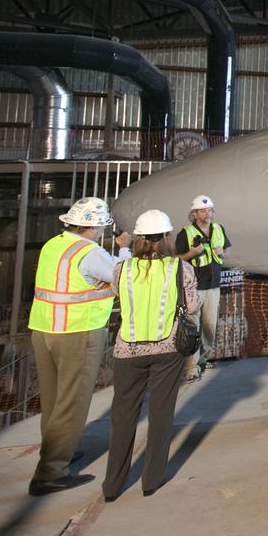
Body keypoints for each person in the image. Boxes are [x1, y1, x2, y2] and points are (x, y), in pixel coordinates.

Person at [27, 197, 129, 496]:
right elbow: (122, 275)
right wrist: (123, 247)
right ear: (94, 226)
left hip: (44, 329)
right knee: (72, 402)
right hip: (76, 332)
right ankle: (50, 472)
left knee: (54, 399)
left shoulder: (53, 245)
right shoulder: (89, 251)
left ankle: (59, 453)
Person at [103, 210, 199, 501]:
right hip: (166, 349)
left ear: (140, 238)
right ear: (167, 238)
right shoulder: (180, 268)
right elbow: (192, 307)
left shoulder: (122, 269)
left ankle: (112, 485)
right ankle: (152, 480)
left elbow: (117, 295)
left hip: (127, 349)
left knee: (122, 416)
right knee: (161, 414)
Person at [175, 194, 230, 382]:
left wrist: (223, 253)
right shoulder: (186, 233)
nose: (208, 213)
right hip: (193, 287)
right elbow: (176, 260)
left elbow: (227, 250)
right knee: (193, 325)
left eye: (210, 210)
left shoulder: (218, 229)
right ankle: (191, 366)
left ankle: (203, 360)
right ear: (195, 214)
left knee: (209, 326)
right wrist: (192, 252)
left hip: (213, 286)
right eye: (203, 210)